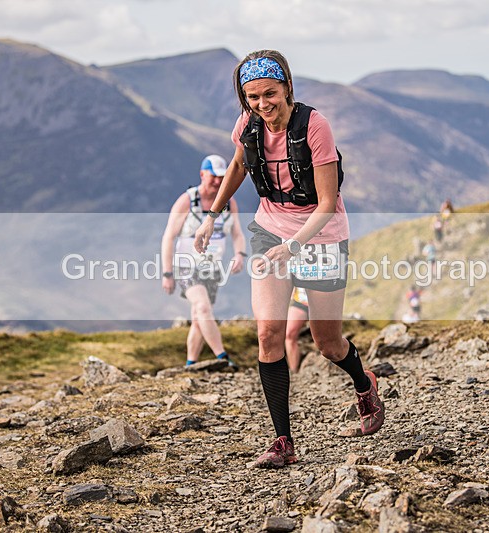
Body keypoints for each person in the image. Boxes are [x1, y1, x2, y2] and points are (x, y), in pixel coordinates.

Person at [194, 50, 385, 468]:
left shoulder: (315, 127)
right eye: (252, 97)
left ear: (287, 89)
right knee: (268, 335)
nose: (262, 104)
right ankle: (283, 441)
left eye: (270, 94)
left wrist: (295, 245)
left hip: (321, 235)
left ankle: (364, 383)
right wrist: (212, 217)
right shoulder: (247, 125)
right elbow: (239, 167)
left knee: (327, 342)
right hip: (269, 231)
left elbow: (328, 202)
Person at [161, 154, 246, 367]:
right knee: (203, 307)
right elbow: (169, 237)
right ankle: (222, 357)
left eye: (221, 177)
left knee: (199, 317)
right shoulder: (187, 201)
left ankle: (191, 363)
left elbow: (237, 232)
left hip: (212, 267)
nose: (217, 182)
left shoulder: (229, 201)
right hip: (186, 265)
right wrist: (167, 273)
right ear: (202, 174)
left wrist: (239, 254)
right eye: (213, 177)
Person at [285, 287, 309, 373]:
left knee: (326, 340)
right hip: (301, 300)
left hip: (322, 300)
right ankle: (294, 371)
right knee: (289, 334)